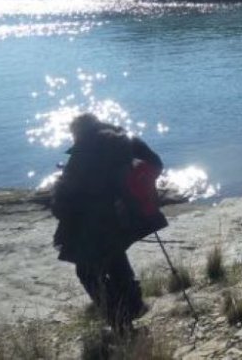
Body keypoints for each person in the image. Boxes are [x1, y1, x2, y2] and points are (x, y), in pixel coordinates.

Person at [50, 113, 168, 330]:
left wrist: (60, 210)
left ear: (78, 133)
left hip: (93, 223)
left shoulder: (82, 151)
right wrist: (136, 186)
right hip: (127, 216)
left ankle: (119, 321)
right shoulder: (125, 139)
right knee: (115, 258)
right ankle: (134, 306)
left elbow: (65, 198)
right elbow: (156, 164)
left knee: (87, 272)